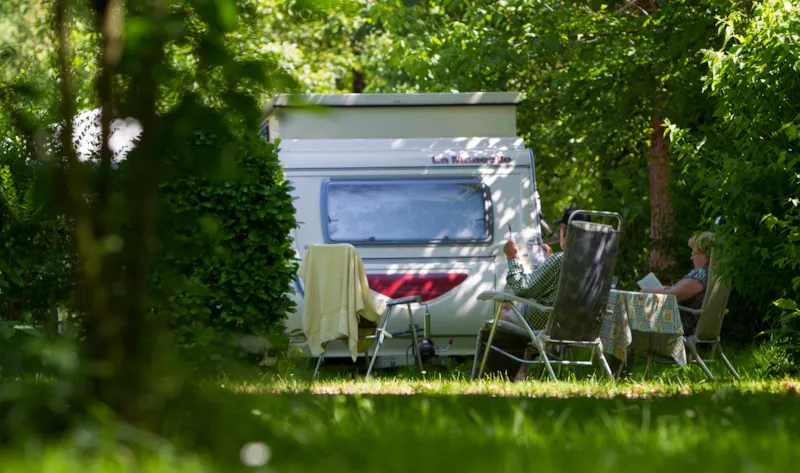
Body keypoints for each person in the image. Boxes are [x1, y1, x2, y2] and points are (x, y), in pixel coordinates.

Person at [502, 208, 590, 329]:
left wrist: (512, 257)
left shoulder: (560, 260)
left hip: (546, 324)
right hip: (578, 326)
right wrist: (550, 260)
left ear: (563, 232)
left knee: (503, 312)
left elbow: (521, 289)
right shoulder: (595, 261)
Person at [640, 231, 714, 336]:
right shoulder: (712, 274)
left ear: (704, 255)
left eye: (693, 253)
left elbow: (673, 295)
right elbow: (680, 292)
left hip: (679, 323)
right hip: (684, 320)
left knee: (631, 313)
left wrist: (648, 292)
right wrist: (666, 288)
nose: (691, 257)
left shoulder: (701, 274)